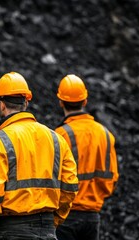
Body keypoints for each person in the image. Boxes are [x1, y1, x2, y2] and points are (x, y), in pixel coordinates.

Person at [0, 72, 79, 240]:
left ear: (1, 105)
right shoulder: (56, 139)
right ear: (26, 102)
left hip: (11, 230)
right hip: (47, 230)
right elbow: (70, 187)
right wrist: (54, 220)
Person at [54, 74, 119, 240]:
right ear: (85, 101)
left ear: (61, 102)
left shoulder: (60, 136)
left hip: (65, 216)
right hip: (92, 216)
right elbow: (112, 179)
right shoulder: (105, 134)